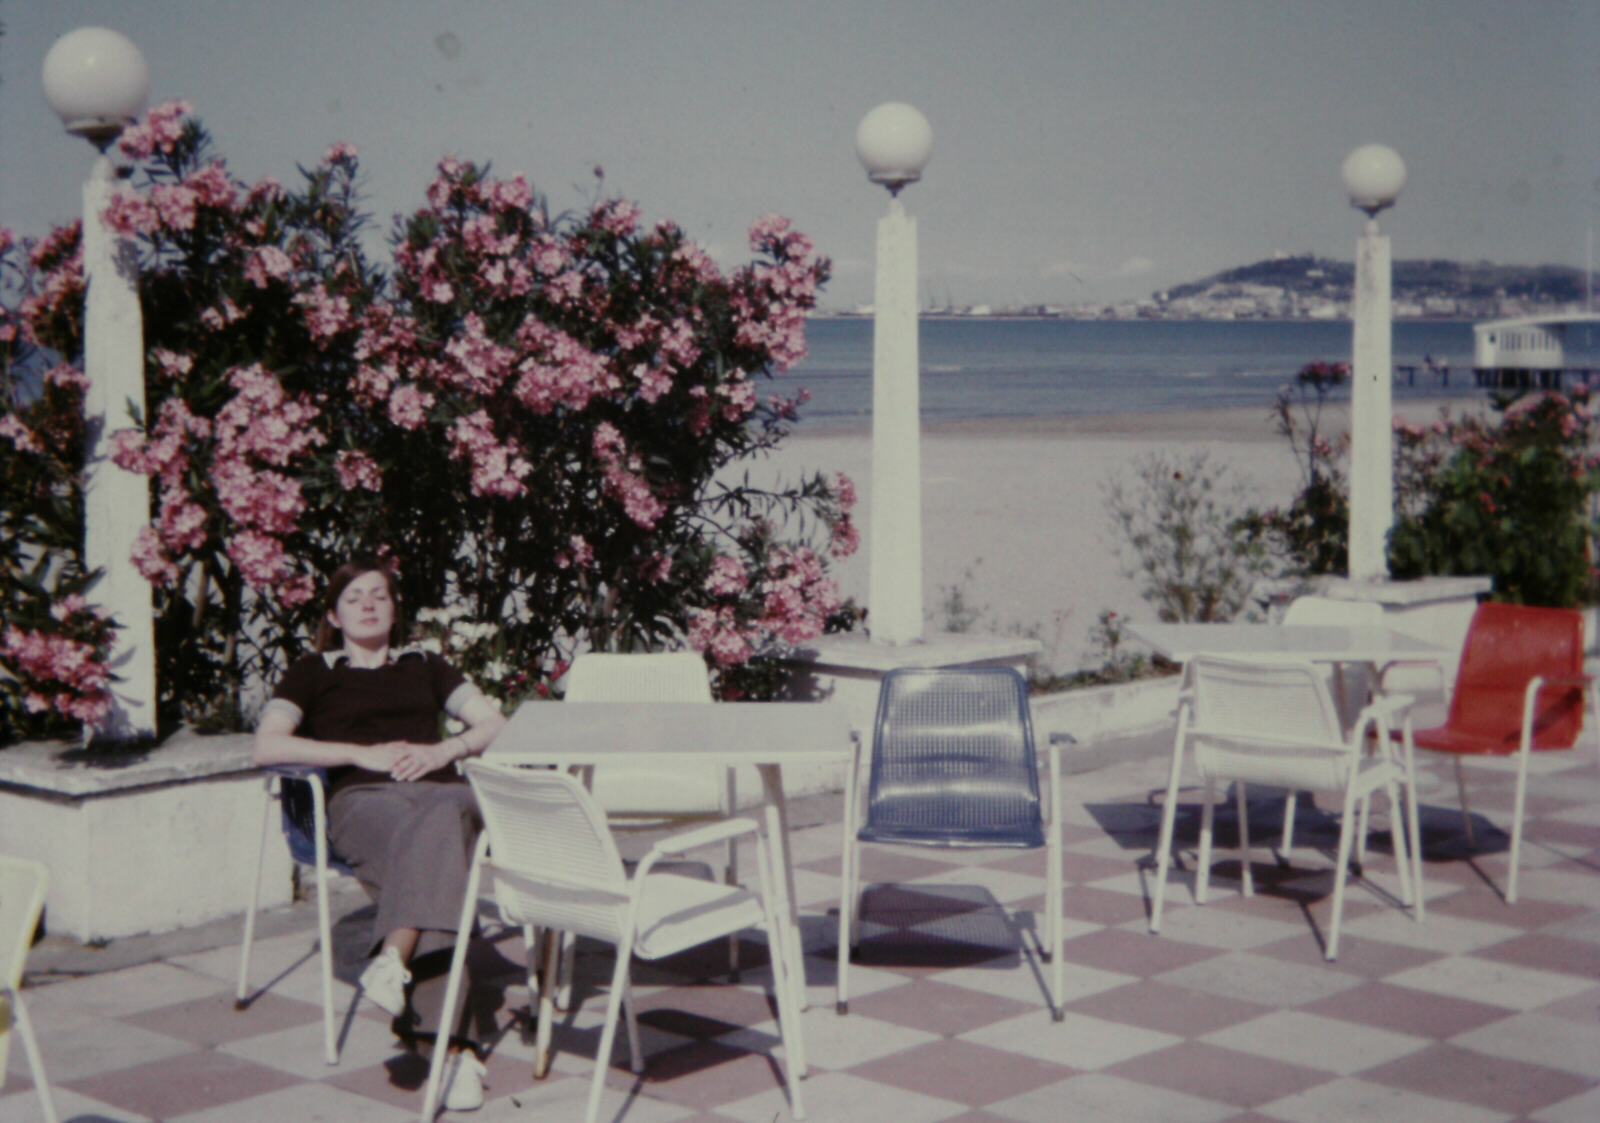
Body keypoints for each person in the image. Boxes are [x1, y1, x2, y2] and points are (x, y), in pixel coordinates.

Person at [253, 557, 507, 1111]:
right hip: (362, 802)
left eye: (380, 595)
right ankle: (457, 1052)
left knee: (444, 812)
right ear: (334, 614)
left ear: (394, 609)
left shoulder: (426, 664)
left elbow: (493, 723)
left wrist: (446, 748)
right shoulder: (313, 671)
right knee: (440, 855)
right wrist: (355, 753)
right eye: (354, 597)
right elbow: (267, 746)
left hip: (442, 793)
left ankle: (396, 963)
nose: (368, 603)